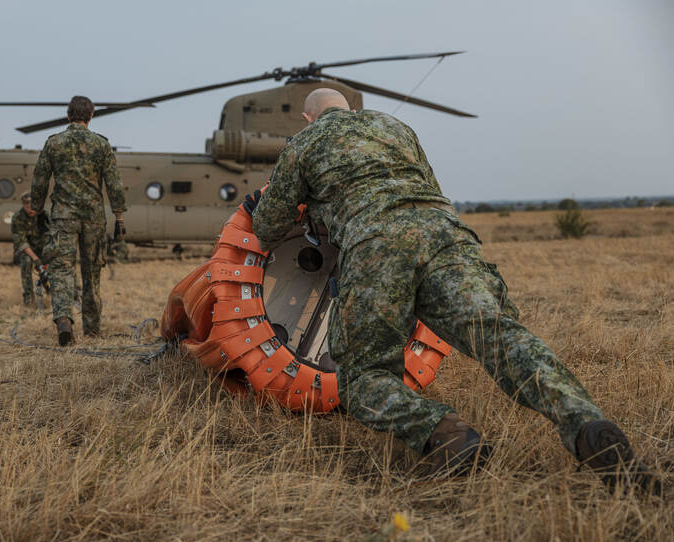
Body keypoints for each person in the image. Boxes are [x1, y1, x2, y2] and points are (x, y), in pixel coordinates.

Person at [248, 88, 660, 492]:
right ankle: (585, 422)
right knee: (499, 336)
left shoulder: (305, 143)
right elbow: (428, 185)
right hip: (447, 235)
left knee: (362, 378)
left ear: (308, 117)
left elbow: (268, 226)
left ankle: (446, 434)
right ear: (352, 108)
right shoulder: (396, 127)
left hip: (378, 247)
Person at [31, 96, 126, 345]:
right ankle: (93, 329)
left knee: (62, 270)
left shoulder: (54, 143)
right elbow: (114, 184)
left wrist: (37, 210)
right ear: (91, 115)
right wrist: (119, 215)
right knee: (92, 272)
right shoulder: (101, 145)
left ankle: (64, 320)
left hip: (63, 217)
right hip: (93, 218)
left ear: (68, 115)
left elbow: (39, 180)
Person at [11, 191, 50, 306]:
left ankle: (51, 291)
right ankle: (28, 298)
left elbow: (51, 235)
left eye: (32, 206)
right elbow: (21, 243)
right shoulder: (18, 218)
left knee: (52, 266)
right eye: (27, 206)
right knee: (27, 262)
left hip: (43, 249)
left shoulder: (44, 216)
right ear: (23, 205)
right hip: (27, 251)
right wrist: (36, 259)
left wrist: (47, 256)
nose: (30, 209)